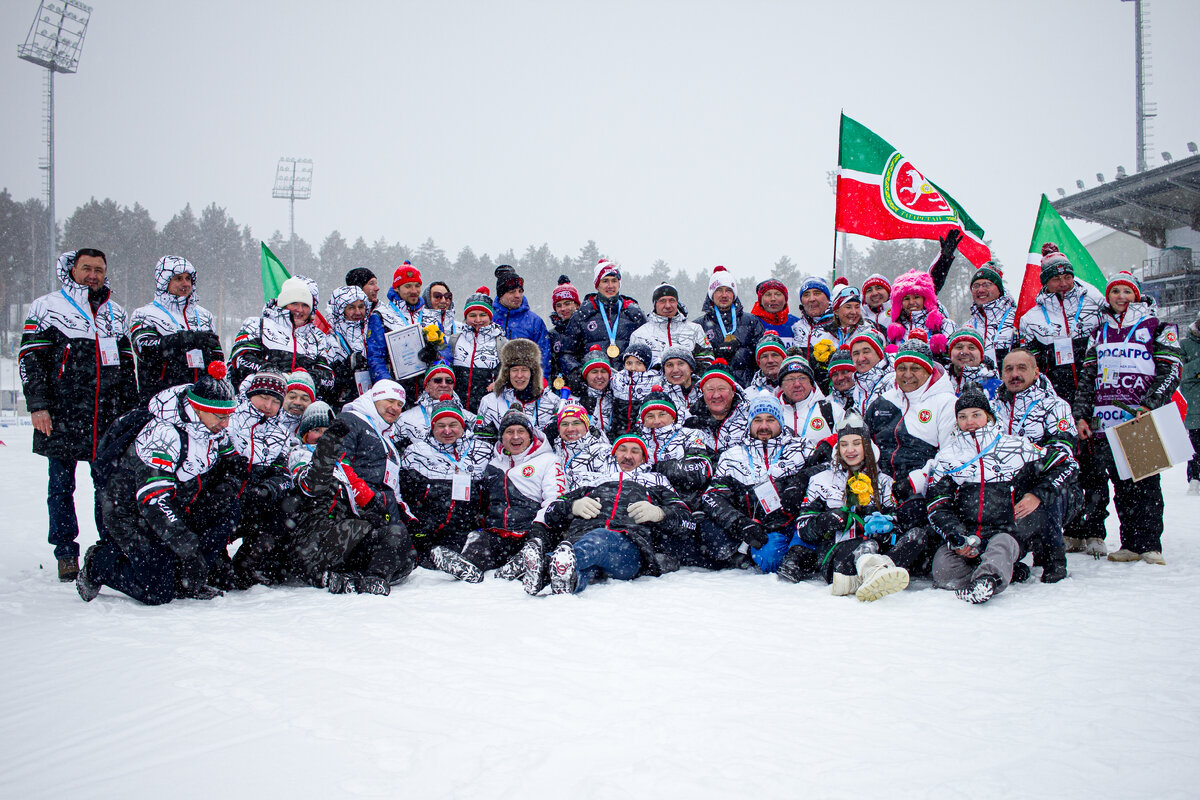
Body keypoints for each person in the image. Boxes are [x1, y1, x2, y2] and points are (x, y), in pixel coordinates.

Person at [76, 362, 239, 604]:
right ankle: (99, 562)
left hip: (177, 504)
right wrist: (189, 549)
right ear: (198, 408)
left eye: (229, 416)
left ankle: (185, 579)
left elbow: (231, 463)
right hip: (132, 513)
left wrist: (230, 484)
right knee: (157, 592)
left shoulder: (212, 427)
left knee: (229, 508)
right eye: (220, 417)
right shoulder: (162, 435)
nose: (225, 423)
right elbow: (153, 501)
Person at [20, 248, 138, 581]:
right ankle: (66, 552)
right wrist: (37, 405)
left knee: (109, 489)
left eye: (99, 269)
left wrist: (129, 415)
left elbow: (128, 369)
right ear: (72, 269)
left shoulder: (115, 312)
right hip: (62, 415)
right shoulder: (48, 307)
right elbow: (30, 360)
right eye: (86, 268)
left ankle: (109, 547)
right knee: (60, 487)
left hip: (106, 419)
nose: (93, 275)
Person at [927, 385, 1076, 604]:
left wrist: (1037, 495)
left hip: (1007, 532)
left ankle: (987, 581)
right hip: (969, 535)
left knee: (1000, 548)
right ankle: (1007, 571)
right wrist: (956, 537)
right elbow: (937, 504)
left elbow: (1067, 464)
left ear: (989, 417)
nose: (970, 422)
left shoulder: (1015, 447)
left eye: (976, 415)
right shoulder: (948, 457)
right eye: (963, 416)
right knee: (943, 571)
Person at [1073, 271, 1182, 564]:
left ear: (1137, 295)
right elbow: (1087, 377)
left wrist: (1150, 403)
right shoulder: (1099, 331)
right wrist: (1081, 416)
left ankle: (1150, 544)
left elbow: (1171, 370)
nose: (1121, 297)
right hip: (1105, 420)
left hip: (1139, 416)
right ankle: (1130, 544)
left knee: (1145, 481)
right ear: (1108, 297)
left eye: (1127, 291)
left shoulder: (1157, 326)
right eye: (1115, 292)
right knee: (1121, 483)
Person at [1016, 243, 1107, 554]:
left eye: (1067, 275)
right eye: (1056, 277)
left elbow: (1124, 318)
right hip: (1058, 396)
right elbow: (1031, 362)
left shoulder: (1095, 299)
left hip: (1095, 392)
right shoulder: (1031, 317)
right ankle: (1073, 528)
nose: (1063, 282)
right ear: (1045, 281)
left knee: (1095, 464)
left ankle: (1095, 529)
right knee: (1066, 464)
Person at [779, 414, 916, 601]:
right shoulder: (822, 480)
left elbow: (897, 522)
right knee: (864, 545)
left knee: (917, 536)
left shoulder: (883, 481)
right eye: (844, 444)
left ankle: (861, 577)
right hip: (836, 553)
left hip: (877, 548)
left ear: (867, 446)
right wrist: (824, 521)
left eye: (856, 443)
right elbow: (803, 528)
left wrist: (886, 526)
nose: (850, 450)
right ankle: (869, 573)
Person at [283, 407, 416, 595]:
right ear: (305, 434)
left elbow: (352, 495)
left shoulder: (340, 464)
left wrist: (369, 514)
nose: (322, 436)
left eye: (327, 431)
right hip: (313, 540)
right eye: (316, 431)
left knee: (399, 541)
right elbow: (313, 486)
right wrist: (329, 442)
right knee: (390, 540)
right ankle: (334, 575)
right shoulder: (300, 454)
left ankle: (374, 578)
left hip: (342, 538)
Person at [539, 433, 691, 594]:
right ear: (613, 455)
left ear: (644, 458)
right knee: (583, 569)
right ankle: (568, 579)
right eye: (622, 450)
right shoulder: (591, 481)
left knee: (600, 539)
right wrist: (572, 507)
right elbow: (550, 513)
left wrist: (660, 514)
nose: (627, 456)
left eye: (635, 451)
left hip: (630, 549)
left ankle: (544, 565)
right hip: (581, 542)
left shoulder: (657, 482)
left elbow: (687, 522)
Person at [430, 409, 564, 584]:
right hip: (498, 533)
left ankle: (523, 563)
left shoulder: (548, 460)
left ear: (530, 435)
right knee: (480, 544)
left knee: (533, 548)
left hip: (529, 531)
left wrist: (539, 528)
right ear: (502, 437)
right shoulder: (494, 464)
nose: (515, 437)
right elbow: (484, 503)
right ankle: (468, 565)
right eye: (509, 432)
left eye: (521, 431)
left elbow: (554, 499)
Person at [993, 348, 1078, 583]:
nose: (1014, 374)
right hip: (1007, 485)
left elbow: (1065, 455)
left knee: (1043, 486)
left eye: (1022, 368)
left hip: (1050, 485)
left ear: (1036, 371)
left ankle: (1054, 557)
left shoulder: (1054, 405)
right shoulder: (993, 407)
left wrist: (1036, 493)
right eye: (1008, 369)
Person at [701, 391, 810, 572]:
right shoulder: (732, 456)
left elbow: (830, 469)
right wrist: (741, 524)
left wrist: (800, 481)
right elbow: (711, 497)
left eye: (771, 419)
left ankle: (802, 553)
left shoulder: (802, 448)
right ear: (750, 423)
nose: (764, 426)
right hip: (765, 530)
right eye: (758, 420)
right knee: (770, 560)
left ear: (781, 422)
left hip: (799, 523)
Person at [398, 394, 492, 561]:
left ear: (462, 425)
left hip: (467, 530)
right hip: (428, 531)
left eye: (453, 425)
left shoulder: (484, 450)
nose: (447, 431)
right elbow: (403, 494)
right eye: (440, 425)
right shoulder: (416, 452)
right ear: (432, 428)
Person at [222, 371, 294, 586]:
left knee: (288, 506)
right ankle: (217, 562)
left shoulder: (281, 433)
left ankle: (247, 562)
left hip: (256, 499)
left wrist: (267, 489)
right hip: (226, 495)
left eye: (275, 401)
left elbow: (283, 474)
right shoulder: (229, 421)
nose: (268, 406)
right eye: (263, 398)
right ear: (251, 394)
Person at [864, 339, 958, 493]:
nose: (907, 374)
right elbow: (862, 440)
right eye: (902, 368)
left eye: (915, 368)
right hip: (879, 486)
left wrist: (915, 482)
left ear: (928, 371)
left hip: (921, 490)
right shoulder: (884, 401)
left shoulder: (946, 403)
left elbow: (950, 454)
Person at [129, 255, 224, 403]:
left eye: (188, 278)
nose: (185, 283)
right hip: (162, 400)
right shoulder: (145, 314)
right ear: (164, 282)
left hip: (201, 401)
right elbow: (144, 349)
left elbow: (217, 354)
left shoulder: (205, 315)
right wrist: (187, 339)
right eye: (178, 279)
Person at [229, 275, 336, 402]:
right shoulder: (258, 324)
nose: (300, 310)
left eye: (305, 305)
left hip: (299, 408)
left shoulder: (318, 337)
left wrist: (302, 378)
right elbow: (240, 360)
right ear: (284, 303)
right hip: (258, 403)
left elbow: (328, 378)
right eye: (294, 303)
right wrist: (278, 375)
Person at [364, 261, 444, 395]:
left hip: (428, 389)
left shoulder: (431, 316)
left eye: (417, 286)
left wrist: (436, 356)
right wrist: (388, 386)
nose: (414, 291)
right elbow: (376, 358)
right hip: (397, 389)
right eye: (408, 286)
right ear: (396, 288)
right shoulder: (381, 316)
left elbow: (445, 351)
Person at [559, 258, 646, 379]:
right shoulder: (582, 315)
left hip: (628, 384)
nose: (610, 286)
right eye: (605, 281)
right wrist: (578, 374)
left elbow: (647, 351)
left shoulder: (634, 314)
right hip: (595, 383)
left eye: (614, 281)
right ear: (597, 284)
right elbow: (566, 353)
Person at [477, 338, 562, 435]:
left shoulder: (553, 402)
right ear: (506, 373)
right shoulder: (489, 402)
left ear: (533, 373)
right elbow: (482, 441)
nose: (519, 375)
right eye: (514, 370)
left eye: (524, 369)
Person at [699, 265, 765, 387]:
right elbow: (696, 365)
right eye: (719, 290)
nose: (724, 295)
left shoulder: (751, 322)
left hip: (748, 388)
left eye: (728, 290)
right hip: (714, 392)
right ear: (711, 294)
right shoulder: (699, 325)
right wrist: (716, 353)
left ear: (734, 294)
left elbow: (762, 358)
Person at [450, 287, 507, 413]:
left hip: (488, 406)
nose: (478, 320)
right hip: (458, 405)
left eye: (483, 315)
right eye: (472, 315)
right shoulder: (455, 339)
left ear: (490, 317)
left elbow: (508, 372)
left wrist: (499, 383)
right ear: (465, 317)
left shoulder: (500, 342)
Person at [776, 354, 842, 458]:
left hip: (822, 473)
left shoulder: (830, 410)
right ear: (781, 385)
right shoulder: (772, 414)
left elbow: (848, 442)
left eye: (802, 378)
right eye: (790, 379)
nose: (797, 384)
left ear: (811, 382)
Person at [627, 283, 708, 368]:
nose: (668, 305)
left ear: (677, 302)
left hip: (687, 381)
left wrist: (692, 379)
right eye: (662, 301)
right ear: (655, 304)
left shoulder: (695, 330)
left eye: (672, 300)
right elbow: (633, 367)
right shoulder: (640, 335)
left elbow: (707, 359)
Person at [491, 264, 552, 377]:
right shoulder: (488, 318)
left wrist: (541, 382)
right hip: (492, 383)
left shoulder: (534, 322)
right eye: (512, 292)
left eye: (520, 291)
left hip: (523, 382)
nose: (517, 295)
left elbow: (544, 357)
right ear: (501, 295)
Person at [395, 361, 473, 445]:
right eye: (438, 380)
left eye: (449, 381)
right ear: (427, 386)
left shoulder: (470, 418)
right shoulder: (404, 419)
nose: (444, 384)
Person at [683, 359, 749, 452]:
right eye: (710, 389)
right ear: (703, 392)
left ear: (733, 392)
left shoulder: (749, 419)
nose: (716, 395)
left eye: (722, 389)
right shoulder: (686, 420)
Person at [885, 269, 956, 354]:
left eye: (916, 297)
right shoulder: (894, 331)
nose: (911, 302)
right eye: (906, 298)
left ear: (925, 299)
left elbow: (954, 358)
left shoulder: (944, 325)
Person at [326, 285, 371, 410]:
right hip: (345, 401)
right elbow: (329, 379)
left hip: (371, 397)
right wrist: (346, 368)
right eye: (351, 307)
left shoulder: (372, 330)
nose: (357, 312)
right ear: (341, 310)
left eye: (361, 307)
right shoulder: (332, 338)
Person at [964, 262, 1016, 368]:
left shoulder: (1016, 319)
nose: (981, 290)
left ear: (999, 289)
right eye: (976, 286)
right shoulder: (967, 326)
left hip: (1011, 380)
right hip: (979, 382)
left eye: (986, 285)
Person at [608, 342, 661, 438]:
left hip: (642, 433)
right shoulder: (617, 380)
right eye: (629, 363)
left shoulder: (655, 381)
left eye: (639, 363)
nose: (633, 368)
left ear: (647, 365)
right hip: (618, 430)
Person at [945, 329, 1001, 397]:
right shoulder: (938, 384)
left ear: (981, 356)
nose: (964, 352)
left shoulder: (998, 388)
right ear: (950, 354)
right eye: (959, 347)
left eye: (971, 348)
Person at [790, 275, 835, 358]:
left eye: (817, 293)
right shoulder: (795, 327)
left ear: (828, 298)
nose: (811, 299)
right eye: (806, 295)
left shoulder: (839, 325)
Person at [549, 275, 581, 386]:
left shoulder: (585, 328)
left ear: (577, 305)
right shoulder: (552, 334)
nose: (563, 309)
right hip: (559, 388)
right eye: (559, 305)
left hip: (582, 386)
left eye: (567, 303)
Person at [576, 345, 615, 436]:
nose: (599, 376)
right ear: (586, 375)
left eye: (603, 371)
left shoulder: (616, 395)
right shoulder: (575, 398)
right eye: (594, 372)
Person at [1182, 310, 1200, 495]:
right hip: (1196, 408)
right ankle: (1194, 481)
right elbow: (1182, 373)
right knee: (1196, 447)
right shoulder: (1186, 344)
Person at [750, 278, 799, 346]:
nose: (773, 299)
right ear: (760, 300)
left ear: (785, 299)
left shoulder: (797, 323)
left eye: (778, 294)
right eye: (768, 294)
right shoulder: (751, 324)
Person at [660, 345, 700, 419]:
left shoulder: (705, 391)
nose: (675, 370)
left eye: (680, 363)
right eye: (670, 365)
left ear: (691, 368)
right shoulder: (658, 395)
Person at [277, 370, 316, 438]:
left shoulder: (315, 430)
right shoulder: (267, 421)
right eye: (292, 397)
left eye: (304, 399)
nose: (297, 402)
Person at [422, 280, 458, 350]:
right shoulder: (419, 326)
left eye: (447, 296)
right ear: (427, 299)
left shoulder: (460, 328)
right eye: (437, 296)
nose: (443, 301)